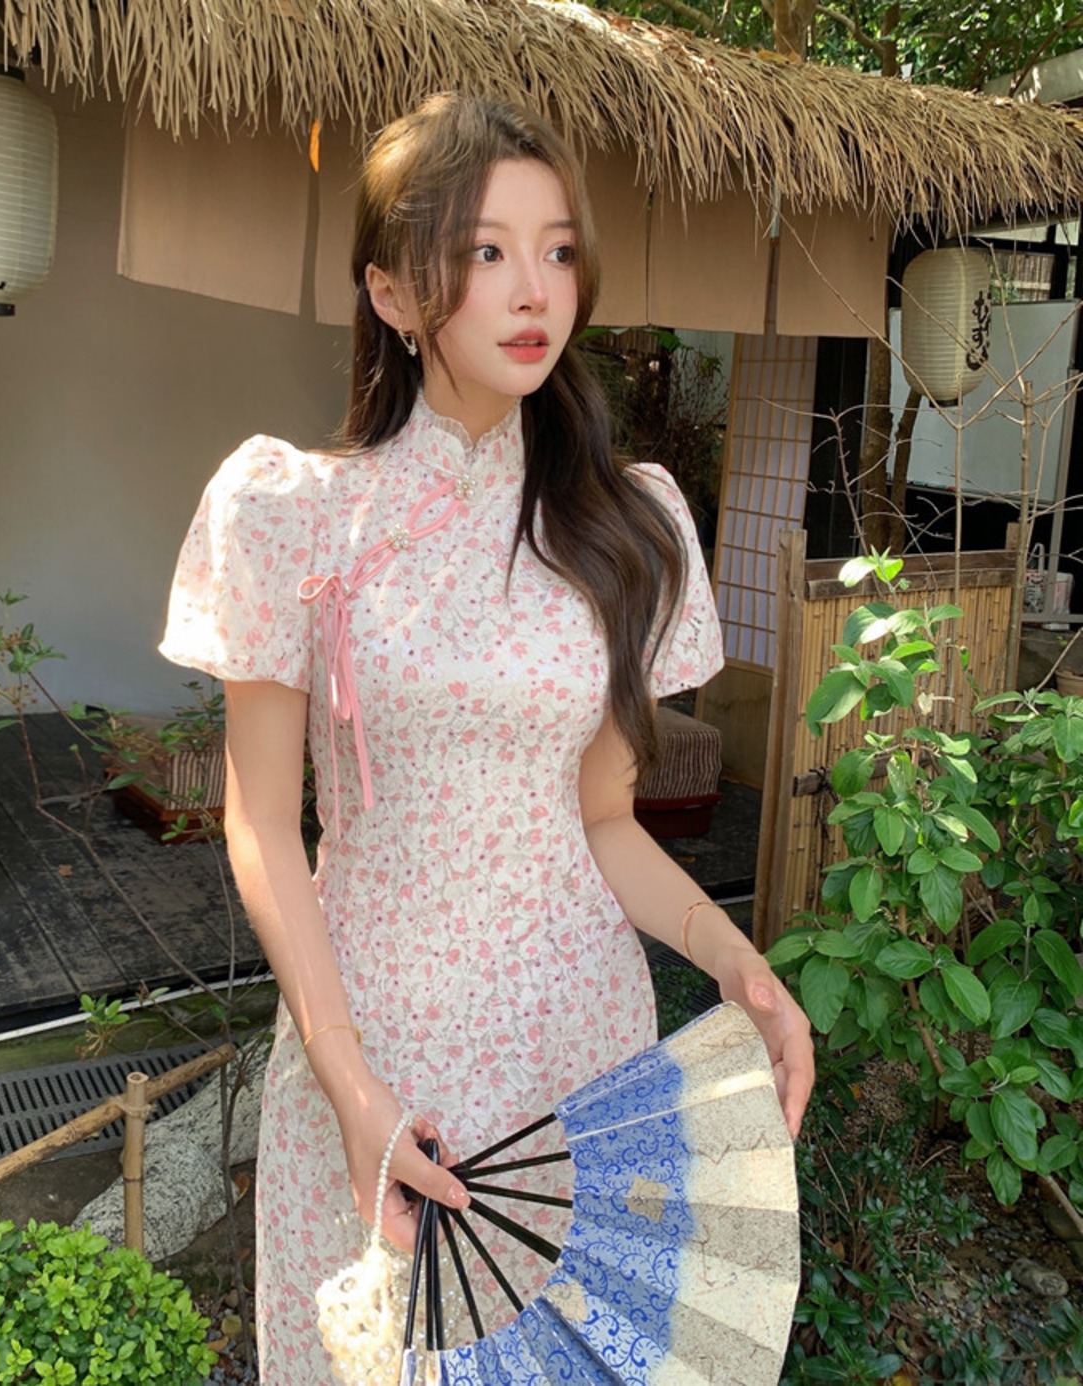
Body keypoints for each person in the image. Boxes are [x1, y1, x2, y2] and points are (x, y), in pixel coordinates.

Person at [161, 92, 814, 1384]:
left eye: (558, 250)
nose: (534, 290)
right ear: (394, 291)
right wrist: (353, 1090)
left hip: (580, 1052)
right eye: (486, 251)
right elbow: (263, 823)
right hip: (376, 1058)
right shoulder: (295, 516)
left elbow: (604, 819)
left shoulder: (625, 531)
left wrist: (738, 963)